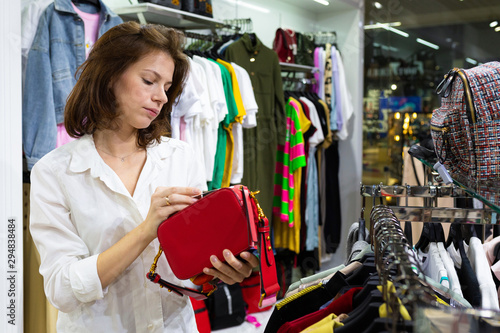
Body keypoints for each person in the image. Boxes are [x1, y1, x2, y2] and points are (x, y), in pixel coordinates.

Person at [29, 21, 259, 332]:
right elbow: (63, 290)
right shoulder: (55, 172)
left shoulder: (180, 157)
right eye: (149, 81)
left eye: (167, 87)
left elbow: (192, 264)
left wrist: (222, 270)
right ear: (109, 76)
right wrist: (145, 230)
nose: (162, 98)